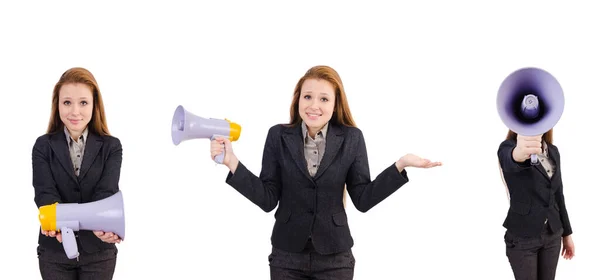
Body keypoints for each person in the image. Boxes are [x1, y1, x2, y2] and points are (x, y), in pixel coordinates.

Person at [210, 65, 442, 279]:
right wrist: (232, 162)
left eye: (324, 98)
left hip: (335, 259)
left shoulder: (352, 138)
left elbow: (363, 199)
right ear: (298, 99)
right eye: (307, 96)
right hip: (286, 256)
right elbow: (268, 198)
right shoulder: (277, 136)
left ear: (335, 103)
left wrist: (400, 166)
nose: (314, 105)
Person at [32, 67, 123, 280]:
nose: (75, 112)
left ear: (94, 104)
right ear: (57, 105)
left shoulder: (112, 147)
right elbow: (44, 193)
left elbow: (106, 192)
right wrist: (56, 223)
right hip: (54, 253)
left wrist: (103, 227)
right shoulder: (42, 146)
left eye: (83, 102)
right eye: (67, 102)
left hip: (99, 254)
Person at [497, 129, 575, 280]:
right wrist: (519, 152)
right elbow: (511, 160)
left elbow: (558, 195)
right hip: (523, 238)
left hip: (553, 235)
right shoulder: (507, 148)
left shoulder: (552, 151)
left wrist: (567, 234)